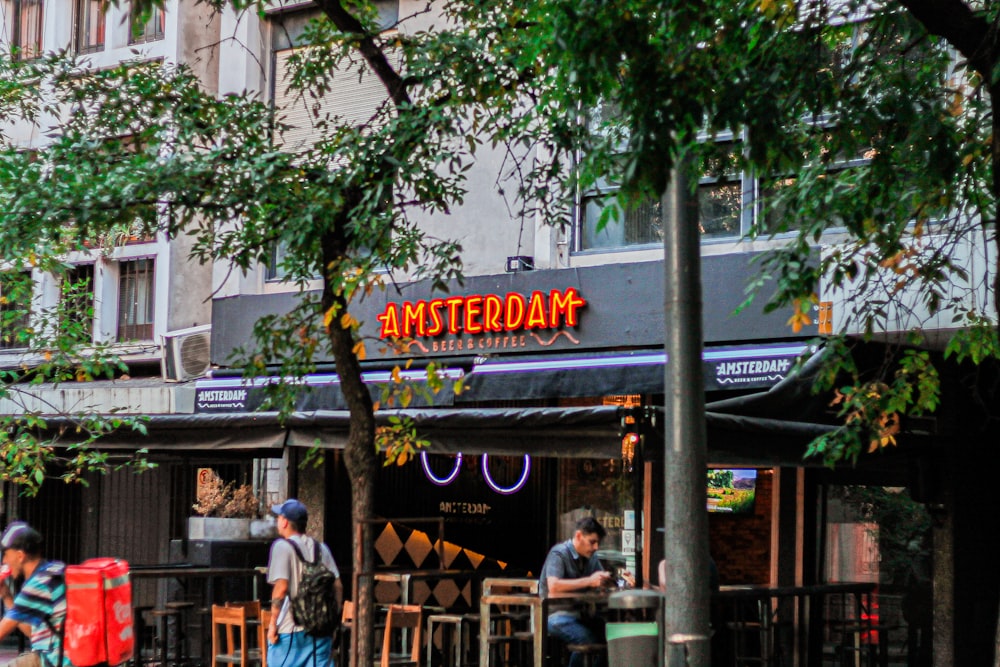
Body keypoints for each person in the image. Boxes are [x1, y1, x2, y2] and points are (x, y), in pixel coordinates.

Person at [266, 499, 343, 667]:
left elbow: (281, 588)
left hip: (291, 629)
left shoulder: (282, 547)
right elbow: (337, 586)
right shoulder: (322, 548)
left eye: (279, 517)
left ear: (285, 521)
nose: (277, 521)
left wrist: (272, 623)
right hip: (321, 631)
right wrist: (332, 620)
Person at [539, 517, 613, 667]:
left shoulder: (591, 558)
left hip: (581, 614)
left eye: (598, 543)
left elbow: (598, 580)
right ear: (579, 536)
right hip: (554, 615)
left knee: (612, 637)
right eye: (592, 542)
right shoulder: (558, 553)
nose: (596, 547)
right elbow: (553, 586)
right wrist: (590, 581)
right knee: (586, 640)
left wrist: (606, 581)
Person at [0, 522, 70, 667]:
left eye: (6, 554)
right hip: (66, 655)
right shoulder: (53, 570)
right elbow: (34, 633)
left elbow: (2, 631)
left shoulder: (38, 585)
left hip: (56, 659)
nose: (4, 561)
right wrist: (7, 596)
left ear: (20, 556)